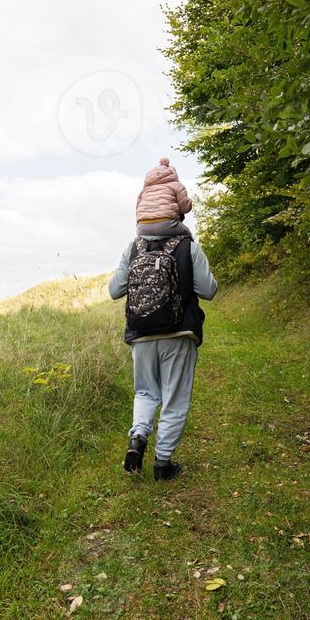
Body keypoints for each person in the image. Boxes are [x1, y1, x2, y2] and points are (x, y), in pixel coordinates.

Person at [108, 158, 218, 481]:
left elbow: (115, 290)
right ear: (177, 208)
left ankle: (137, 437)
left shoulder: (134, 248)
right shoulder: (187, 246)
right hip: (179, 332)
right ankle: (162, 464)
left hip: (140, 333)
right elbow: (208, 291)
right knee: (175, 397)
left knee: (145, 392)